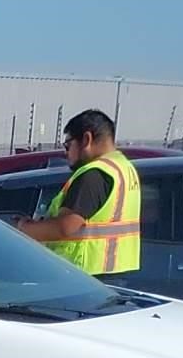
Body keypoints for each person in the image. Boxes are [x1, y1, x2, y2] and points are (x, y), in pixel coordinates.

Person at [16, 109, 141, 280]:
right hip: (118, 273)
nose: (65, 153)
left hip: (87, 276)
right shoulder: (124, 168)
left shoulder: (94, 174)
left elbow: (65, 227)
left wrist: (24, 229)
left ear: (86, 139)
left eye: (68, 145)